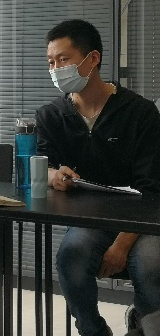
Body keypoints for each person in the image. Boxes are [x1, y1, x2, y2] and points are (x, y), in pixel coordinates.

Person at [36, 19, 160, 336]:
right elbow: (40, 164)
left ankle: (144, 326)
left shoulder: (140, 113)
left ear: (93, 58)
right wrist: (53, 176)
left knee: (150, 264)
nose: (56, 69)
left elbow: (151, 188)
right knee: (71, 257)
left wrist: (122, 244)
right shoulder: (52, 115)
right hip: (90, 218)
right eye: (51, 62)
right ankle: (93, 330)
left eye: (63, 60)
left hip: (142, 219)